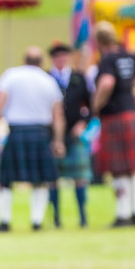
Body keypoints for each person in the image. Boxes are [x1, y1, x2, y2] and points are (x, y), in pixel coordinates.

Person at [0, 46, 65, 232]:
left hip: (16, 132)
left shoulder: (12, 75)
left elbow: (0, 103)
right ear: (42, 62)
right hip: (40, 133)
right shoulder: (49, 80)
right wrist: (58, 141)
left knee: (5, 180)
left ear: (24, 60)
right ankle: (36, 221)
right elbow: (58, 115)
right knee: (39, 179)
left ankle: (4, 221)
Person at [93, 21, 135, 227]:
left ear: (99, 42)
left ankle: (122, 214)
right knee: (133, 168)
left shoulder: (107, 59)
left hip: (114, 116)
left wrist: (96, 104)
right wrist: (134, 86)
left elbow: (107, 83)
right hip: (131, 113)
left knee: (118, 169)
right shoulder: (128, 55)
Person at [48, 42, 93, 228]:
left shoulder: (79, 77)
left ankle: (83, 217)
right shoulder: (46, 77)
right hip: (52, 135)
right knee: (52, 178)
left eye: (63, 56)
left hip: (74, 134)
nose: (60, 59)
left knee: (79, 177)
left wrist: (83, 123)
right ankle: (56, 218)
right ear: (53, 59)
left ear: (67, 58)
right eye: (57, 56)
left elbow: (91, 106)